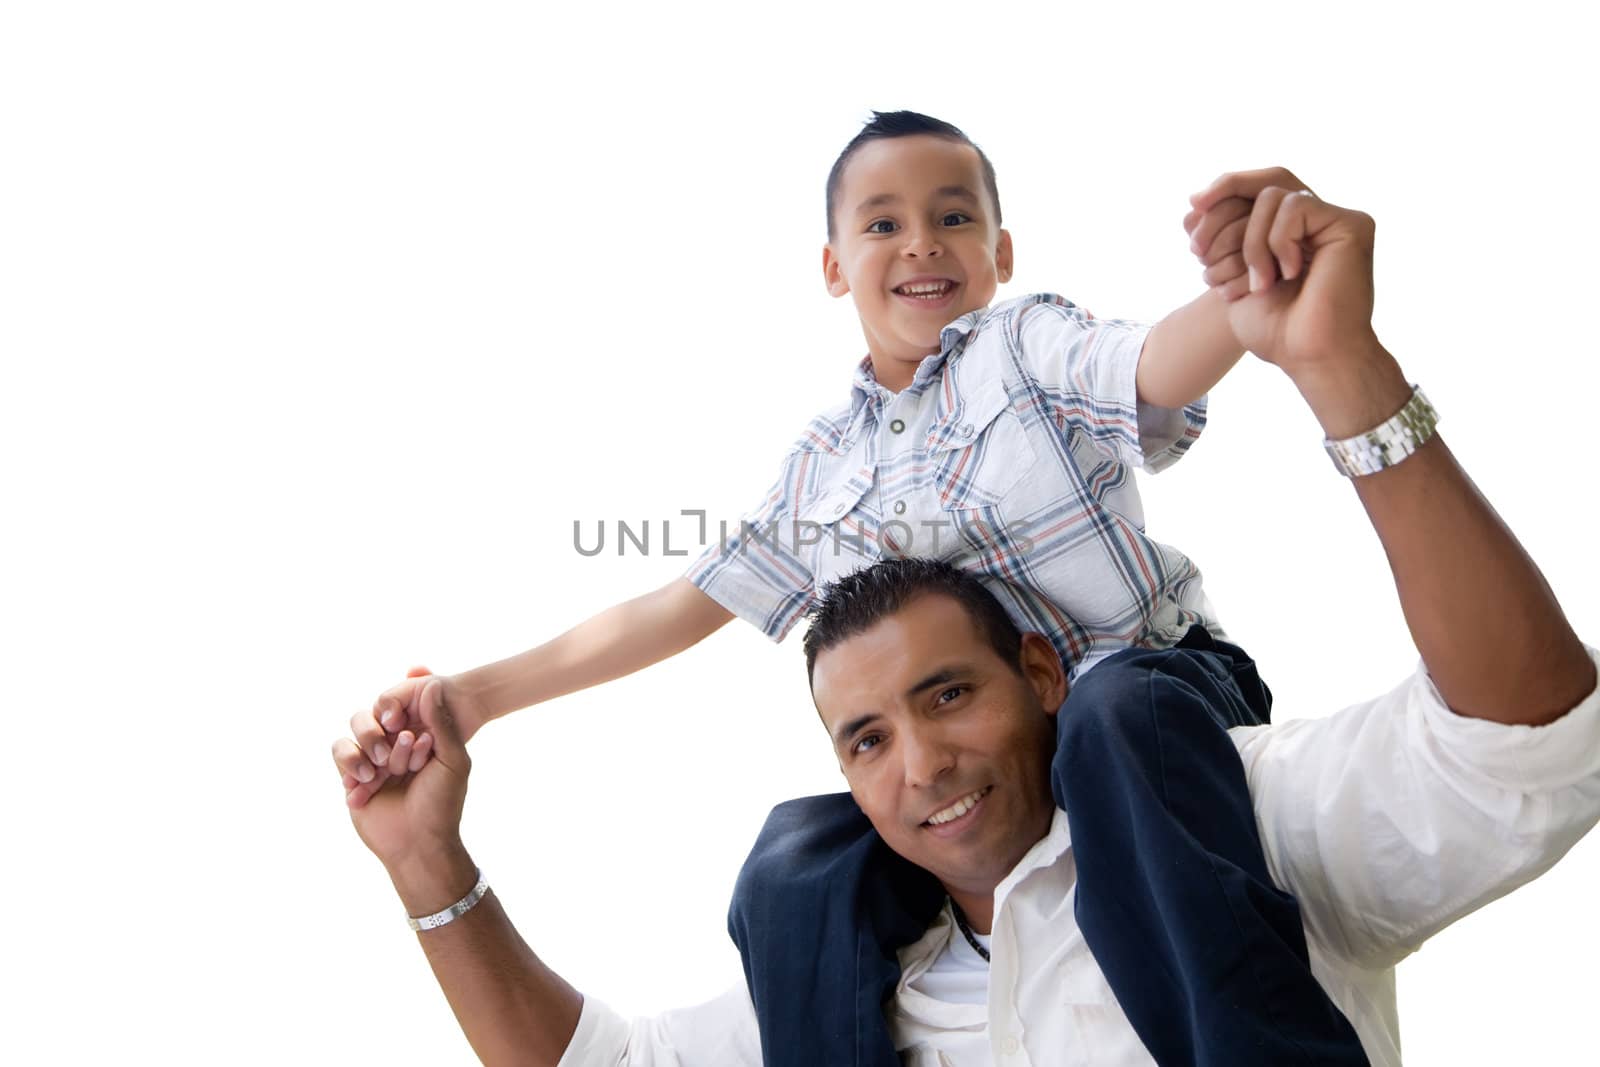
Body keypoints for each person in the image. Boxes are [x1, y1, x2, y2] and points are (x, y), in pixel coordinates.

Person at [334, 177, 1600, 1065]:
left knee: (1119, 716)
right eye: (866, 736)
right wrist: (468, 716)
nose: (919, 242)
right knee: (793, 859)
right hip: (1059, 733)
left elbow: (1524, 746)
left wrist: (1281, 323)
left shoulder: (1026, 352)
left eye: (952, 216)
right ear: (833, 266)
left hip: (1158, 712)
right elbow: (674, 603)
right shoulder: (824, 468)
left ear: (998, 250)